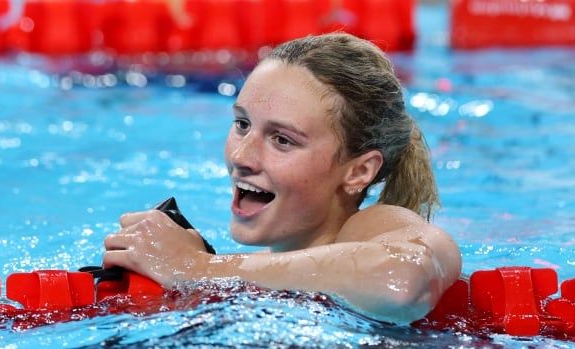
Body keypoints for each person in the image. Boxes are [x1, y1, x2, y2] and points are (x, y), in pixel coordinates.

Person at [103, 33, 461, 324]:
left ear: (359, 171)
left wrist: (196, 267)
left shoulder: (376, 226)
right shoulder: (263, 272)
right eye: (242, 124)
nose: (241, 157)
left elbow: (402, 281)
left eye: (282, 140)